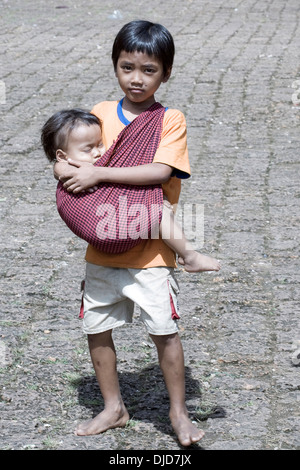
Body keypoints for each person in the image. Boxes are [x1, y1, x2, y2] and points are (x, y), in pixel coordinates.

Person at [53, 20, 220, 447]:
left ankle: (179, 413)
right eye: (127, 67)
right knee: (97, 328)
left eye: (149, 70)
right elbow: (73, 153)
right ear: (115, 66)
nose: (137, 79)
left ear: (166, 73)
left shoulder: (170, 119)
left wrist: (98, 173)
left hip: (151, 254)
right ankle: (113, 407)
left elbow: (160, 171)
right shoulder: (102, 113)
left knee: (164, 331)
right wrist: (65, 168)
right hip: (103, 247)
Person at [42, 107, 221, 272]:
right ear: (62, 155)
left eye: (99, 145)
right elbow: (60, 167)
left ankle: (189, 255)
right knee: (159, 211)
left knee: (157, 209)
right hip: (103, 222)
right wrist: (62, 169)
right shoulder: (74, 168)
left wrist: (88, 171)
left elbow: (161, 172)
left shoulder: (89, 163)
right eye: (88, 149)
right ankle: (190, 256)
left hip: (117, 220)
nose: (97, 153)